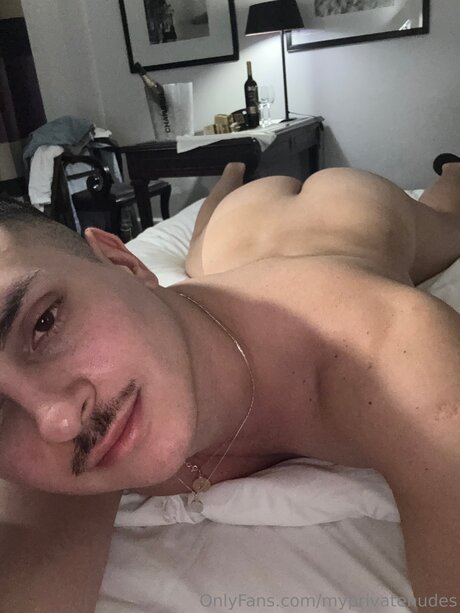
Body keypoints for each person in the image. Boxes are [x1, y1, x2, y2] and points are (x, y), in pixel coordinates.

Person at [0, 156, 460, 612]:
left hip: (352, 209)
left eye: (44, 322)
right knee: (203, 242)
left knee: (449, 219)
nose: (59, 421)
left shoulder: (406, 359)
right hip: (233, 232)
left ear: (124, 263)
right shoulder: (35, 435)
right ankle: (230, 176)